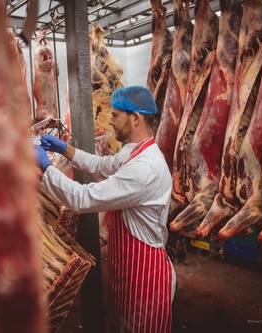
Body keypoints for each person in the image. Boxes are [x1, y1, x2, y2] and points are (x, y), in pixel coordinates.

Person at [34, 86, 175, 333]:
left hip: (147, 280)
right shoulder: (133, 153)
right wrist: (63, 149)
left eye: (115, 115)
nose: (110, 121)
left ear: (135, 118)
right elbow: (102, 165)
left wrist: (46, 168)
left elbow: (83, 198)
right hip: (127, 272)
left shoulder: (145, 168)